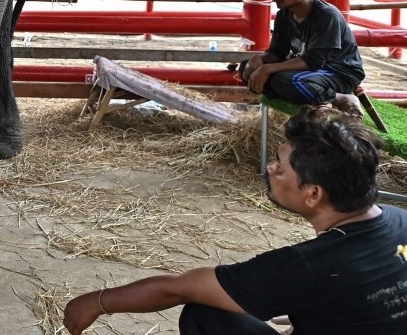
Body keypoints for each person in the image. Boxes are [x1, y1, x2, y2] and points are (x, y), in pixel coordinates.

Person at [64, 105, 406, 334]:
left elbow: (179, 287)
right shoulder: (401, 220)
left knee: (206, 315)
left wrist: (96, 301)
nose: (270, 168)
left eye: (279, 165)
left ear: (313, 194)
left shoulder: (306, 266)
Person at [242, 0, 364, 115]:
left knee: (283, 80)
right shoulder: (284, 15)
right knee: (246, 69)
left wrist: (268, 68)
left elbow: (314, 61)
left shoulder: (326, 15)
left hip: (339, 72)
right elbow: (278, 52)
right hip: (312, 71)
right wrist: (260, 59)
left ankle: (340, 98)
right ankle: (310, 96)